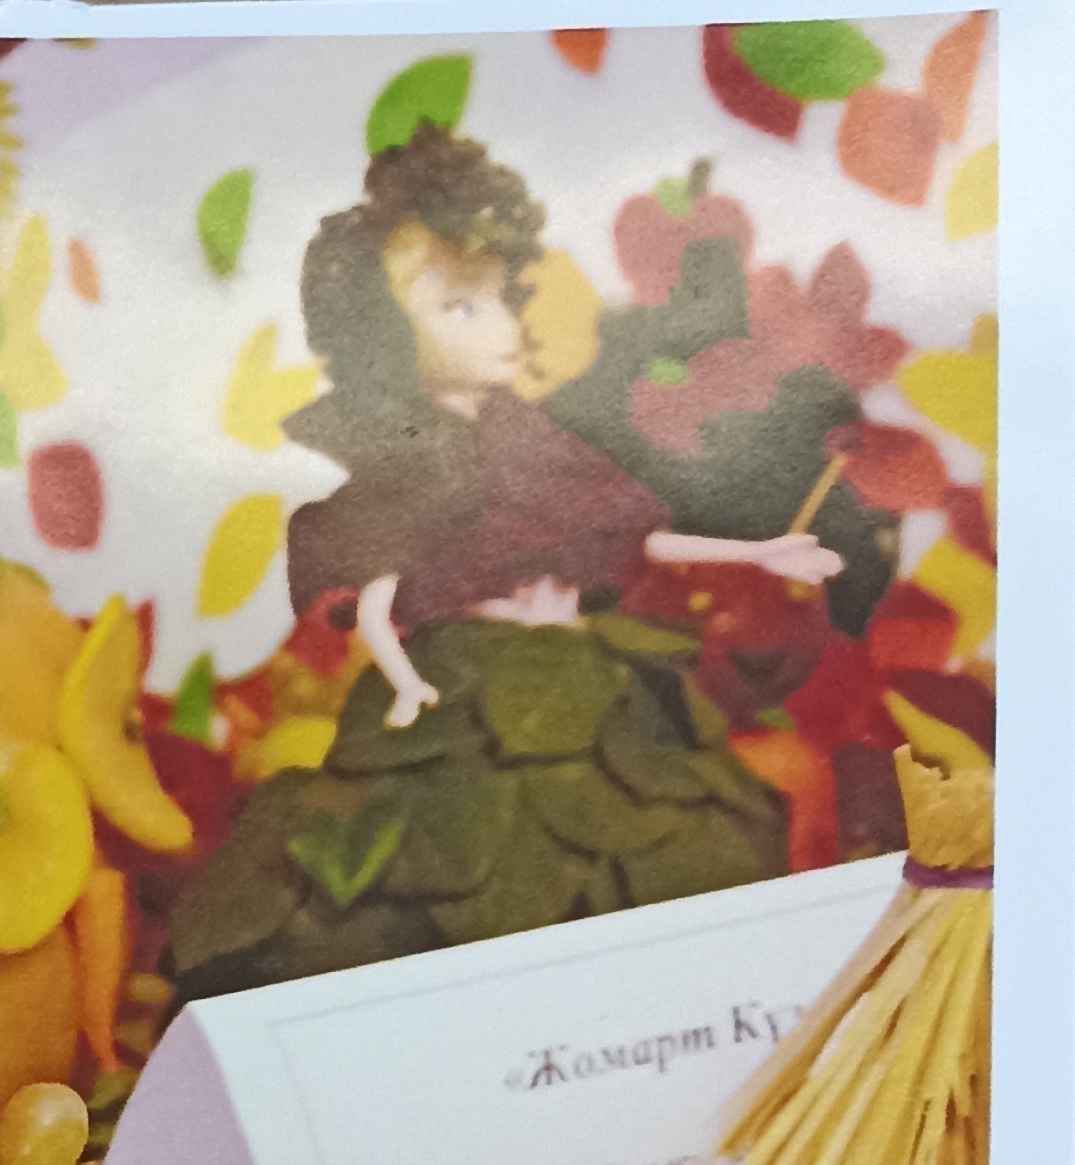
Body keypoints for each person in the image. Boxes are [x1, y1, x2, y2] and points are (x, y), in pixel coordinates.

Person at [283, 125, 839, 730]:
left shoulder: (531, 440)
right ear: (383, 338)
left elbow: (632, 536)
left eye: (500, 297)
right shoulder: (402, 470)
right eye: (460, 308)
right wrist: (410, 685)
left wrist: (759, 553)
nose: (503, 326)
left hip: (572, 688)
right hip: (465, 705)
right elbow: (376, 609)